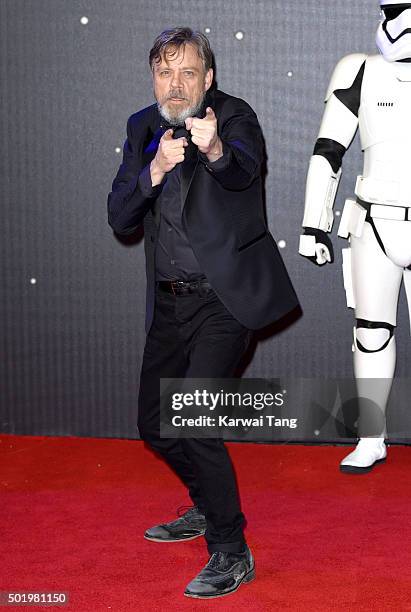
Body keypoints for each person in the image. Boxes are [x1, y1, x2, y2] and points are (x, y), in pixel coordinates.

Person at [108, 27, 299, 598]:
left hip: (224, 301)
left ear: (208, 78)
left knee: (192, 419)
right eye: (165, 73)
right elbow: (120, 215)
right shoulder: (142, 127)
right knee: (153, 424)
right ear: (153, 79)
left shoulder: (235, 117)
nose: (176, 84)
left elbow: (244, 171)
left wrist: (212, 149)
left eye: (188, 72)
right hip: (168, 304)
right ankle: (206, 504)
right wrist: (154, 172)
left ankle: (232, 550)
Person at [299, 1, 411, 473]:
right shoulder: (359, 70)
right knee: (370, 333)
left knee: (372, 334)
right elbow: (328, 152)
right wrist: (313, 223)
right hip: (372, 220)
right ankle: (372, 435)